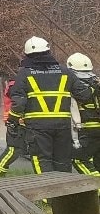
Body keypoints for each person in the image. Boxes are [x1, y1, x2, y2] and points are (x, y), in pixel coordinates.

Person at [8, 36, 93, 173]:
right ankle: (63, 187)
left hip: (37, 127)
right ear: (48, 52)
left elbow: (19, 102)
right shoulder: (65, 72)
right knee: (63, 162)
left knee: (42, 161)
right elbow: (85, 95)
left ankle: (46, 188)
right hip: (63, 126)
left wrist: (12, 120)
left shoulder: (24, 74)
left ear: (27, 55)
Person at [68, 53, 100, 175]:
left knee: (79, 160)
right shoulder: (96, 80)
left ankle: (95, 184)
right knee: (97, 162)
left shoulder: (74, 83)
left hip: (86, 129)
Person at [0, 78, 27, 177]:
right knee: (13, 150)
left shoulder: (16, 83)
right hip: (15, 121)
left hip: (19, 121)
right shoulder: (15, 85)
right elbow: (19, 103)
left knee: (16, 150)